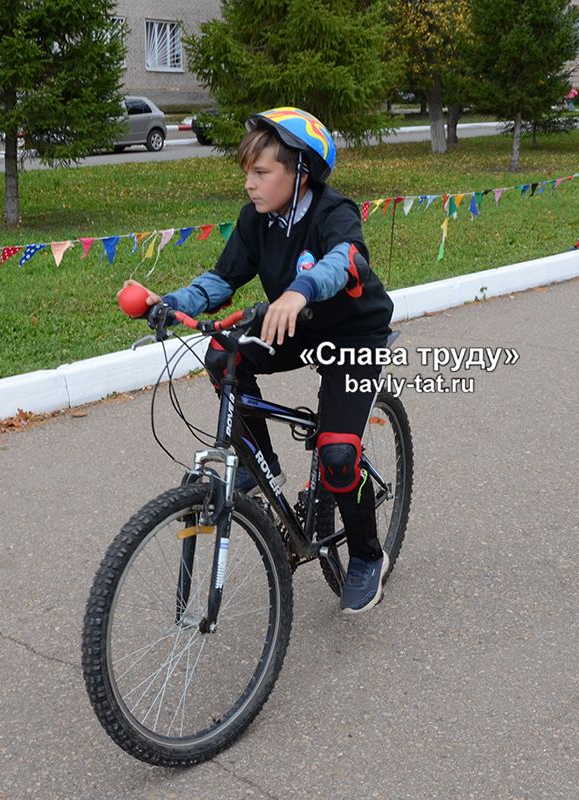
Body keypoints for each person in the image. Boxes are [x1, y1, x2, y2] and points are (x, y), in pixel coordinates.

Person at [122, 107, 395, 615]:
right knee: (222, 352)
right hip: (293, 326)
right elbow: (223, 279)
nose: (249, 183)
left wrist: (299, 291)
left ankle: (366, 556)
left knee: (338, 457)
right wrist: (173, 302)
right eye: (246, 171)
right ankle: (258, 463)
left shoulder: (334, 212)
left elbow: (345, 260)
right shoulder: (257, 220)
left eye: (261, 172)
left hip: (354, 334)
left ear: (300, 171)